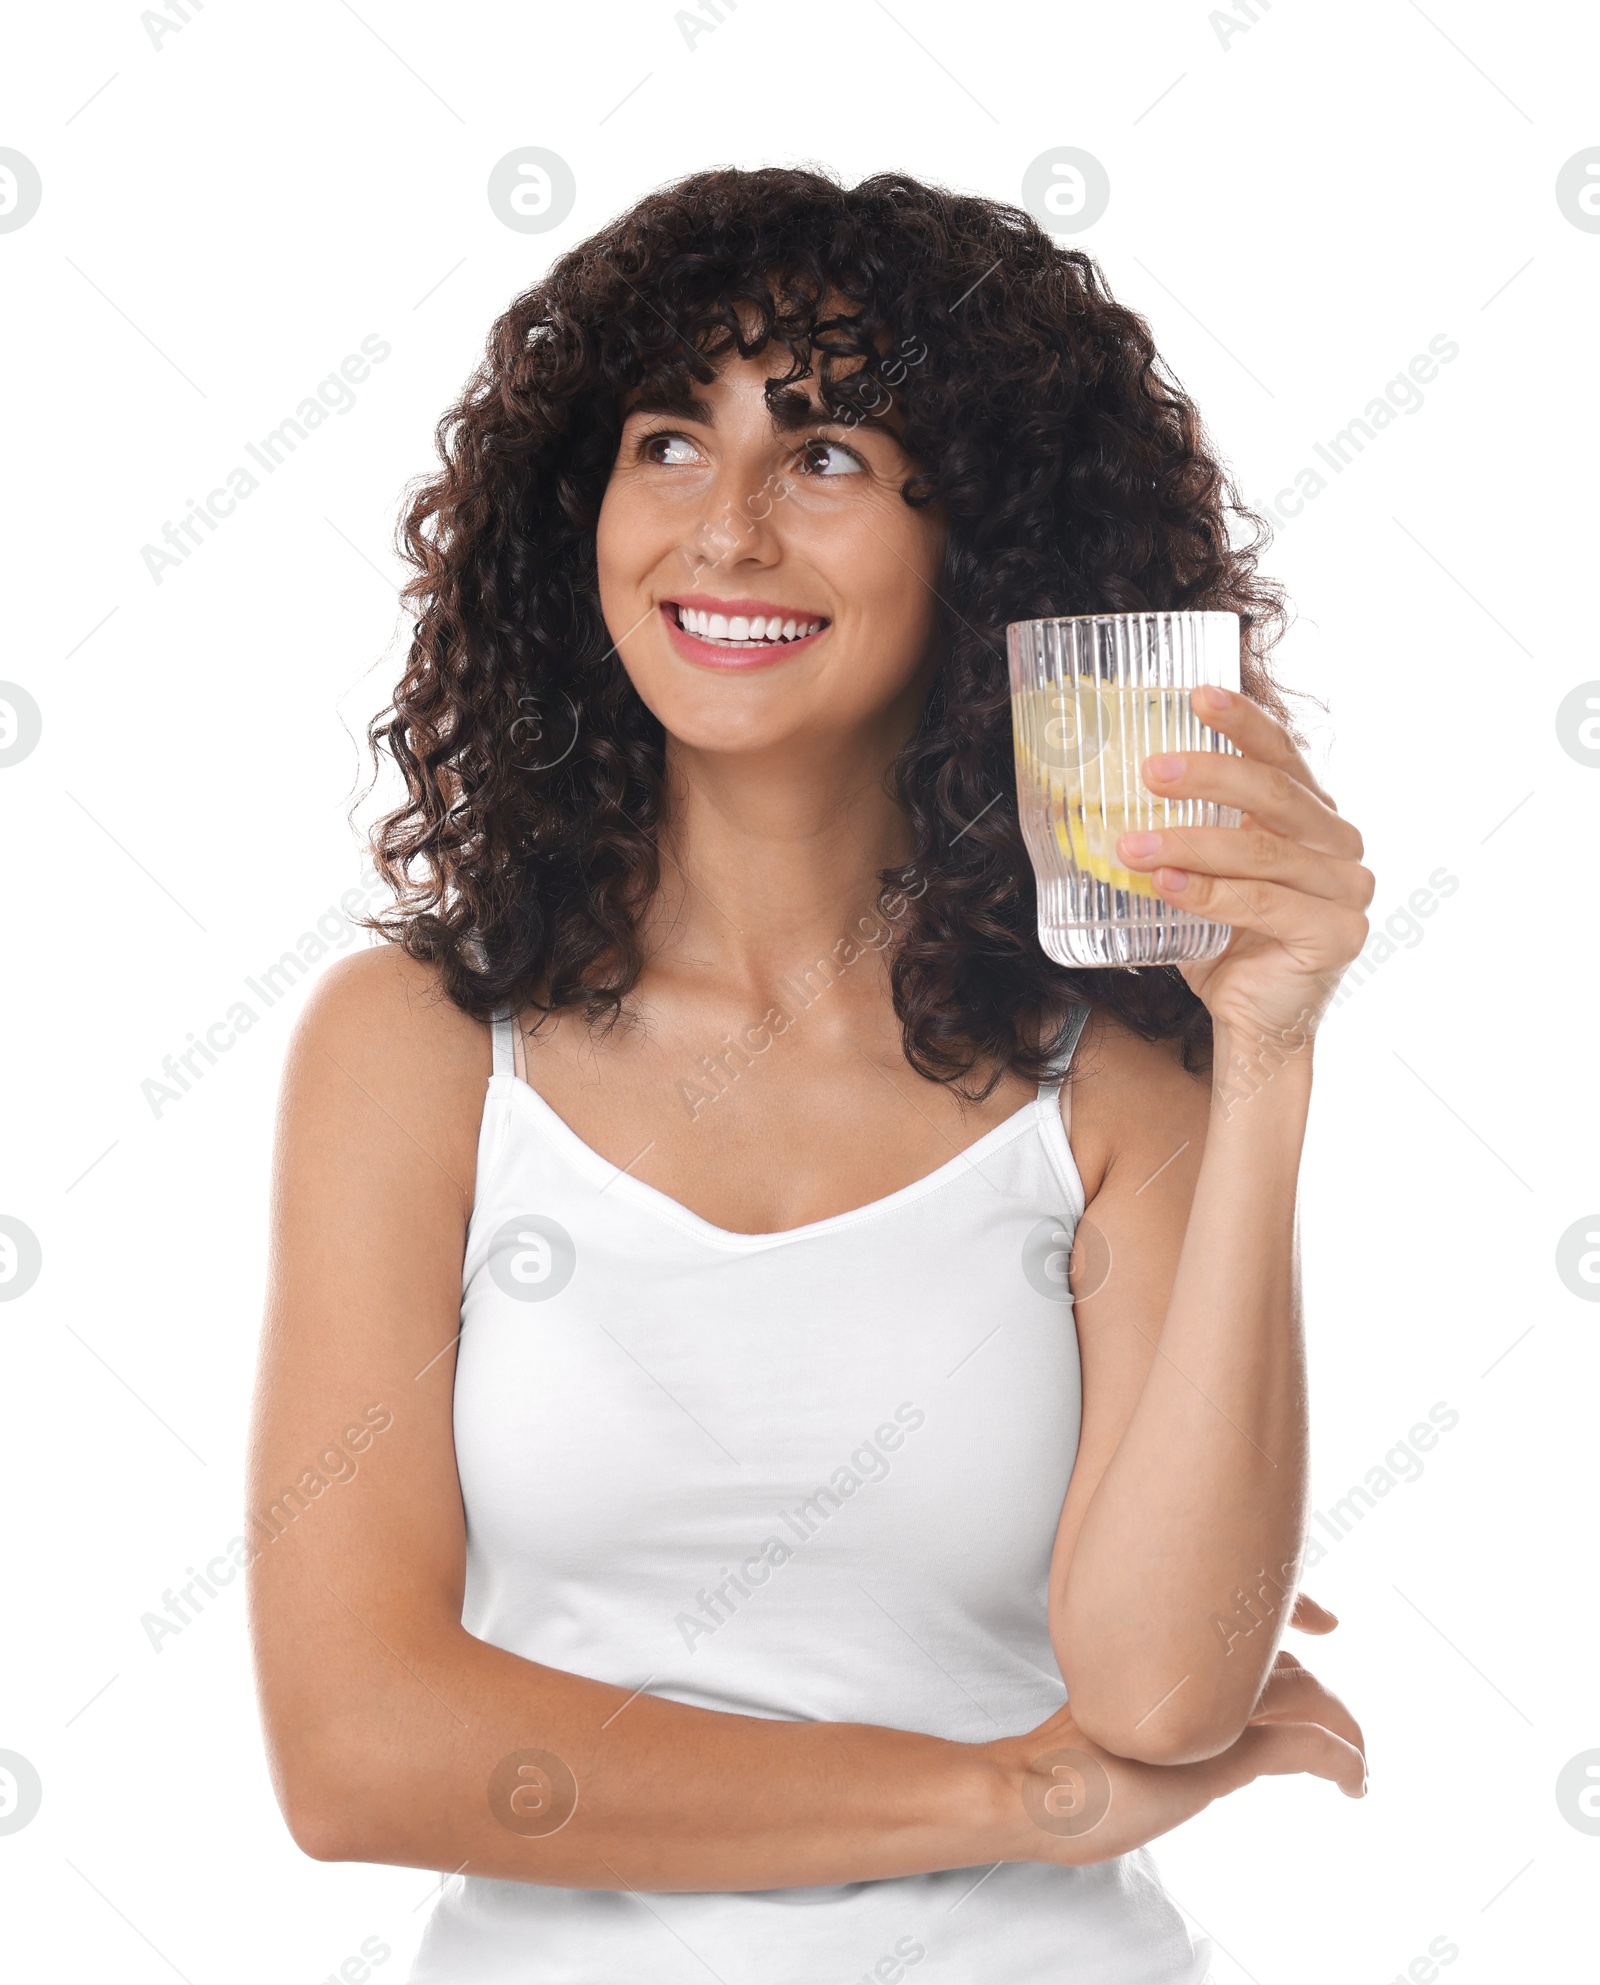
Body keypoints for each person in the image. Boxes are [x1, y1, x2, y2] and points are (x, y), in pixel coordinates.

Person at [245, 165, 1373, 1984]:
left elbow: (1165, 1688)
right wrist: (1015, 1798)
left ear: (982, 543)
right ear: (579, 508)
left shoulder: (1118, 1070)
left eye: (830, 454)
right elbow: (360, 1748)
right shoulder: (417, 1048)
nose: (730, 528)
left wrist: (1267, 1052)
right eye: (669, 441)